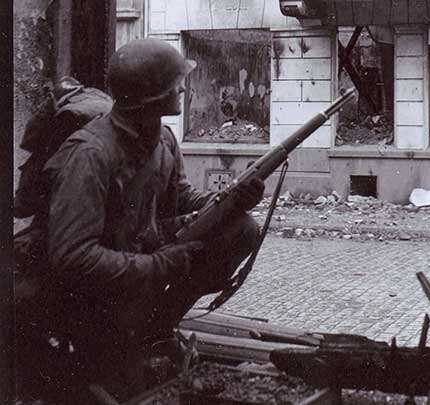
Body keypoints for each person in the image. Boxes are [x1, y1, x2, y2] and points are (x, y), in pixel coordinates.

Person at [15, 38, 265, 403]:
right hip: (79, 291)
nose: (182, 86)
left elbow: (179, 198)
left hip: (130, 264)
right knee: (120, 390)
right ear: (151, 94)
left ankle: (153, 331)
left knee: (241, 228)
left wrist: (227, 201)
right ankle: (110, 347)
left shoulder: (162, 139)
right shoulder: (90, 155)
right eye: (174, 81)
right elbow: (72, 257)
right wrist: (157, 266)